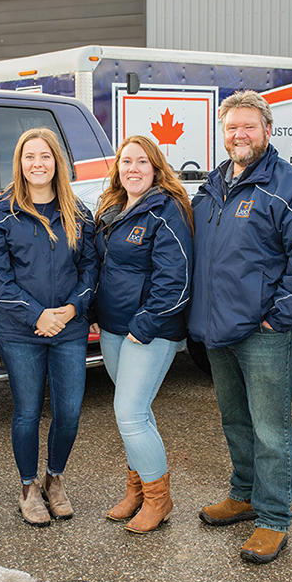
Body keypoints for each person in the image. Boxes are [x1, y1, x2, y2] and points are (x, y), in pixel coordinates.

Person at [187, 90, 292, 564]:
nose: (239, 135)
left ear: (268, 131)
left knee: (271, 429)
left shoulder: (289, 189)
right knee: (235, 420)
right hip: (217, 331)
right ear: (222, 133)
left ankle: (272, 519)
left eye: (249, 126)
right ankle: (243, 495)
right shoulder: (212, 187)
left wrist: (278, 318)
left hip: (263, 333)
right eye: (231, 127)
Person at [0, 128, 98, 527]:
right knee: (28, 412)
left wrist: (70, 309)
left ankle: (55, 479)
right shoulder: (4, 212)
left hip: (68, 327)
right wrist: (37, 315)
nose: (37, 163)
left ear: (56, 162)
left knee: (68, 412)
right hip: (20, 331)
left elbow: (90, 267)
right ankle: (29, 488)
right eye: (29, 156)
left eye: (45, 156)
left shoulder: (77, 212)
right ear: (20, 163)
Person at [90, 135, 194, 534]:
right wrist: (97, 313)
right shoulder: (112, 207)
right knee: (137, 413)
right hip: (114, 329)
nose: (132, 169)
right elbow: (103, 268)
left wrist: (145, 324)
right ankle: (137, 491)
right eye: (126, 161)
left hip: (149, 331)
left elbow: (175, 277)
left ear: (155, 168)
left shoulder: (166, 210)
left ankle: (159, 499)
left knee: (129, 413)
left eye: (141, 162)